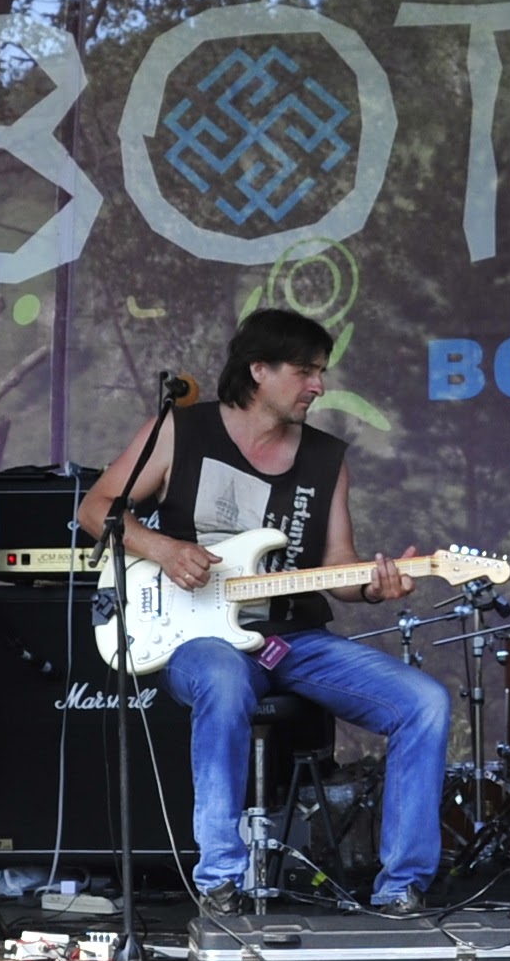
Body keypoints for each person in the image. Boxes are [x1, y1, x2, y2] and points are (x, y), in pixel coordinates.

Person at [73, 306, 456, 914]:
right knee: (224, 681)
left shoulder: (325, 458)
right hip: (197, 636)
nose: (318, 386)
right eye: (305, 371)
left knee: (424, 702)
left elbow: (339, 567)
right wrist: (164, 548)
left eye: (321, 372)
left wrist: (374, 586)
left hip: (293, 638)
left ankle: (402, 885)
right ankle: (220, 877)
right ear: (259, 370)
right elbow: (95, 509)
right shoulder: (180, 430)